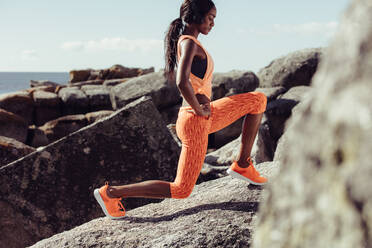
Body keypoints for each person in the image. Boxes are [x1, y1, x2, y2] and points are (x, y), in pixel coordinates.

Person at [93, 0, 268, 220]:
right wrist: (199, 109)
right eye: (211, 17)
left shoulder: (189, 42)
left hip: (203, 117)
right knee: (181, 189)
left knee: (257, 100)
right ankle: (111, 192)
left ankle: (243, 164)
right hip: (195, 121)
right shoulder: (189, 43)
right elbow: (181, 82)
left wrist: (203, 110)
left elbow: (190, 83)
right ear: (197, 15)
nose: (213, 23)